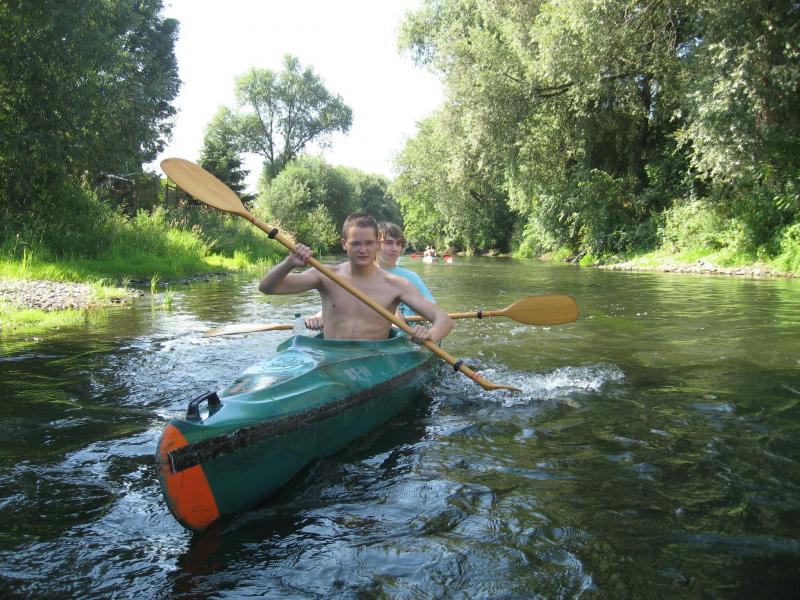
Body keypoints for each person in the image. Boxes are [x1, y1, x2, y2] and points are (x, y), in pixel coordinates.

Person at [258, 213, 452, 344]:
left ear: (377, 244)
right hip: (331, 357)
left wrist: (430, 335)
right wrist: (289, 263)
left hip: (372, 360)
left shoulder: (396, 285)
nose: (363, 250)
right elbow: (267, 288)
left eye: (369, 243)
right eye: (356, 243)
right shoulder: (326, 275)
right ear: (344, 244)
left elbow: (444, 320)